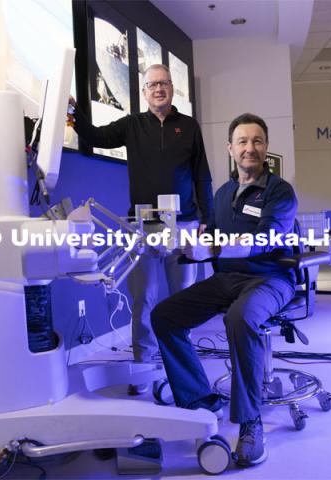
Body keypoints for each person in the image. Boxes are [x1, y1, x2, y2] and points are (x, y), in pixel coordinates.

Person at [151, 113, 298, 467]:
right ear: (230, 148)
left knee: (240, 317)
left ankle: (250, 422)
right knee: (165, 316)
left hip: (271, 278)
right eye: (243, 141)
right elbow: (212, 239)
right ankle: (198, 400)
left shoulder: (279, 191)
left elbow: (268, 238)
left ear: (266, 148)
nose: (250, 148)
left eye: (257, 141)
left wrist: (215, 248)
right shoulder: (223, 194)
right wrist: (186, 245)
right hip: (227, 278)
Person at [68, 65, 213, 394]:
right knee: (143, 299)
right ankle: (143, 365)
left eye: (163, 83)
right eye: (152, 85)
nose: (158, 89)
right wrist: (73, 113)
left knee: (183, 299)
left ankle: (183, 364)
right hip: (141, 228)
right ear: (144, 92)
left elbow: (202, 174)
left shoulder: (188, 127)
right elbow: (97, 136)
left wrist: (209, 219)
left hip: (185, 224)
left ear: (172, 89)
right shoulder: (132, 125)